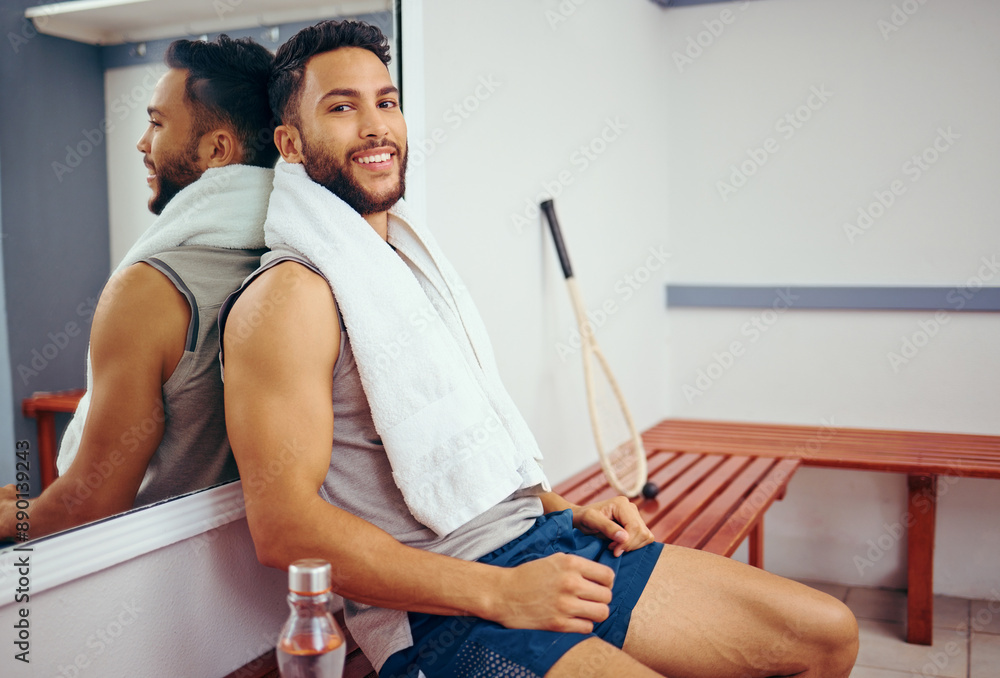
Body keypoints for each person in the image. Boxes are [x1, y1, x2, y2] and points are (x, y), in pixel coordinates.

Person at [221, 20, 859, 678]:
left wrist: (564, 508)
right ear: (290, 143)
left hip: (549, 541)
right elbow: (285, 529)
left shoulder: (405, 270)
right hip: (442, 612)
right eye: (342, 107)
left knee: (827, 635)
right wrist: (501, 592)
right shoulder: (289, 298)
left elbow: (464, 454)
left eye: (386, 101)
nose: (377, 125)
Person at [0, 35, 278, 542]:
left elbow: (88, 505)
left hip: (150, 586)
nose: (141, 143)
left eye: (156, 122)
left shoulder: (149, 290)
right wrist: (30, 502)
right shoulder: (286, 265)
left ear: (218, 149)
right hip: (245, 580)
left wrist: (11, 518)